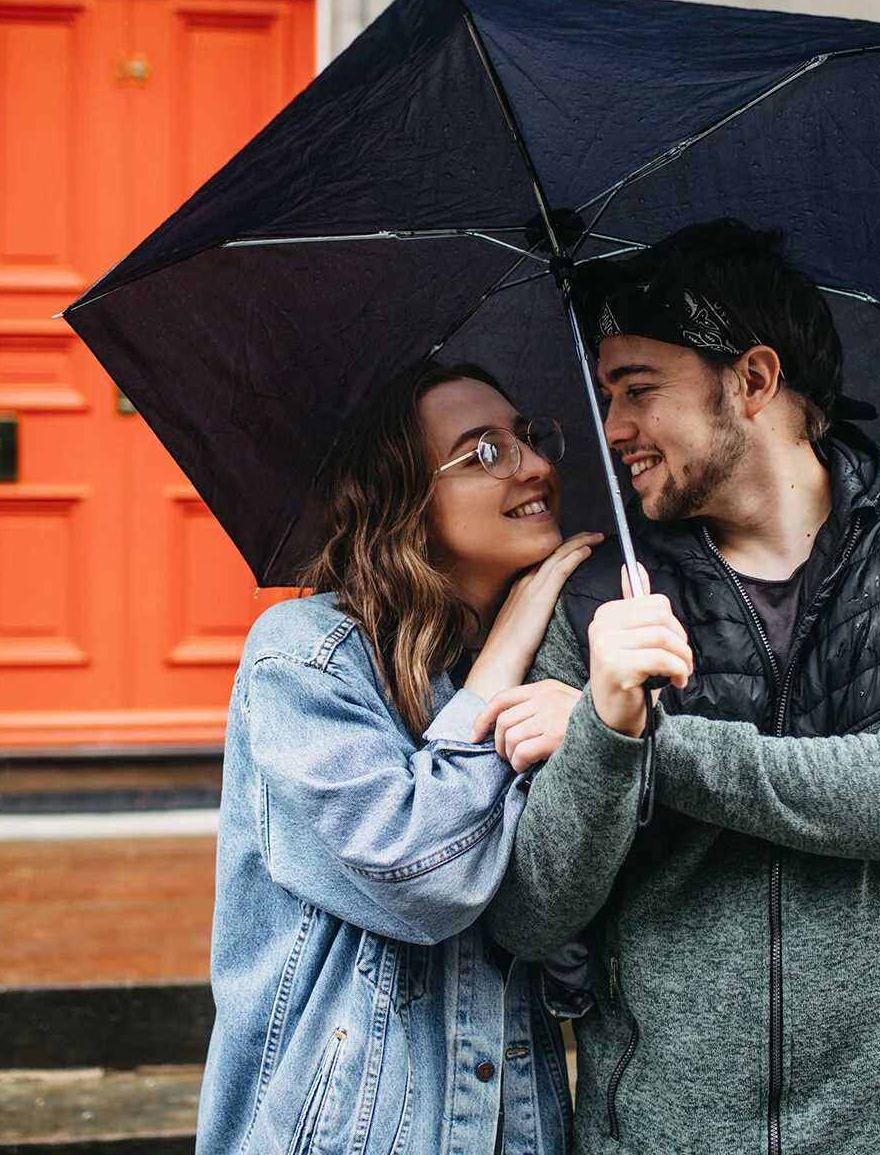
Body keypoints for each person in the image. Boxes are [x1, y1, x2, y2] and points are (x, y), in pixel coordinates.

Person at [475, 220, 880, 1155]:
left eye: (639, 390)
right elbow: (533, 912)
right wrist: (606, 736)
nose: (611, 428)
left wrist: (653, 747)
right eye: (607, 393)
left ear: (752, 381)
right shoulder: (602, 597)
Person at [196, 360, 600, 1155]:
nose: (535, 465)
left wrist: (605, 742)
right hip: (349, 1133)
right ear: (405, 499)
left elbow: (570, 957)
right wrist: (506, 655)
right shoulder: (305, 659)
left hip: (515, 1125)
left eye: (527, 436)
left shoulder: (560, 675)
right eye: (484, 452)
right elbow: (424, 876)